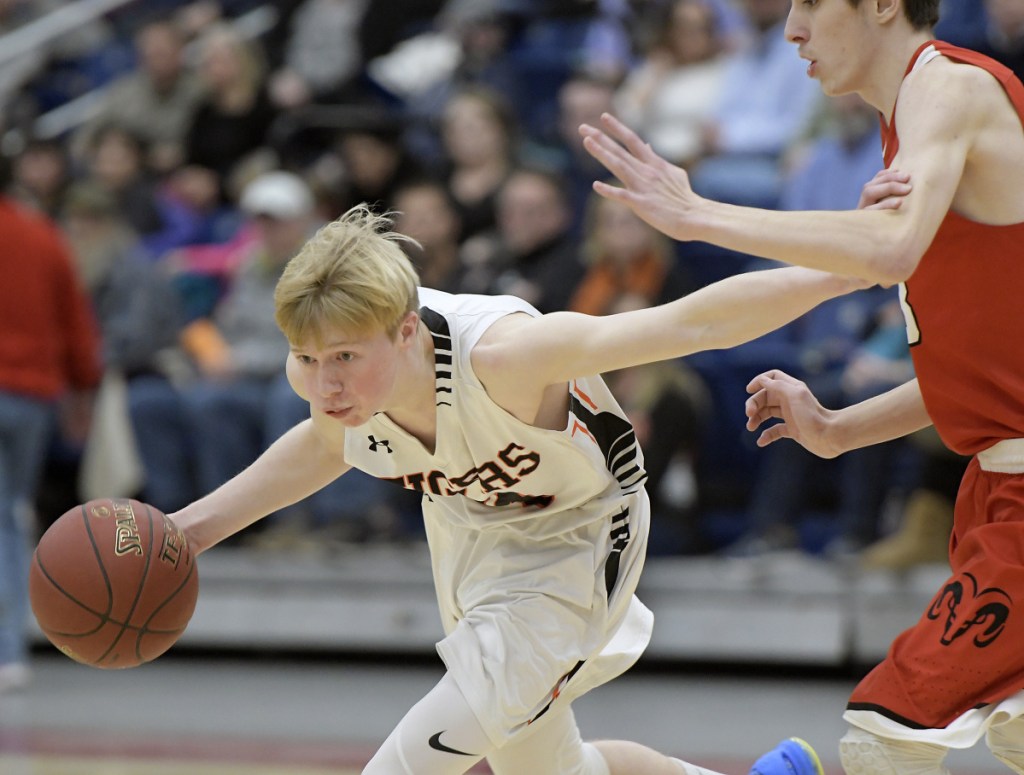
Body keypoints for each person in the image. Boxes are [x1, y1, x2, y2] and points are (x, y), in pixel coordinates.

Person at [166, 203, 880, 774]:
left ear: (407, 330)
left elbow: (690, 323)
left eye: (345, 358)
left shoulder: (504, 355)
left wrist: (849, 269)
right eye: (307, 358)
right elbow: (325, 442)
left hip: (581, 530)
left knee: (419, 755)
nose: (324, 382)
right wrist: (191, 529)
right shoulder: (325, 374)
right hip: (472, 539)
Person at [580, 0, 1024, 768]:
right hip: (998, 484)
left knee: (889, 733)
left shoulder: (947, 87)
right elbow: (990, 375)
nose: (790, 28)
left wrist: (697, 213)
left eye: (810, 3)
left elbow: (884, 249)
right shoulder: (915, 126)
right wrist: (840, 428)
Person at [0, 159, 103, 693]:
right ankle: (9, 650)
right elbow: (76, 323)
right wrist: (84, 391)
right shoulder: (42, 236)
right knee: (10, 515)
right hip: (32, 398)